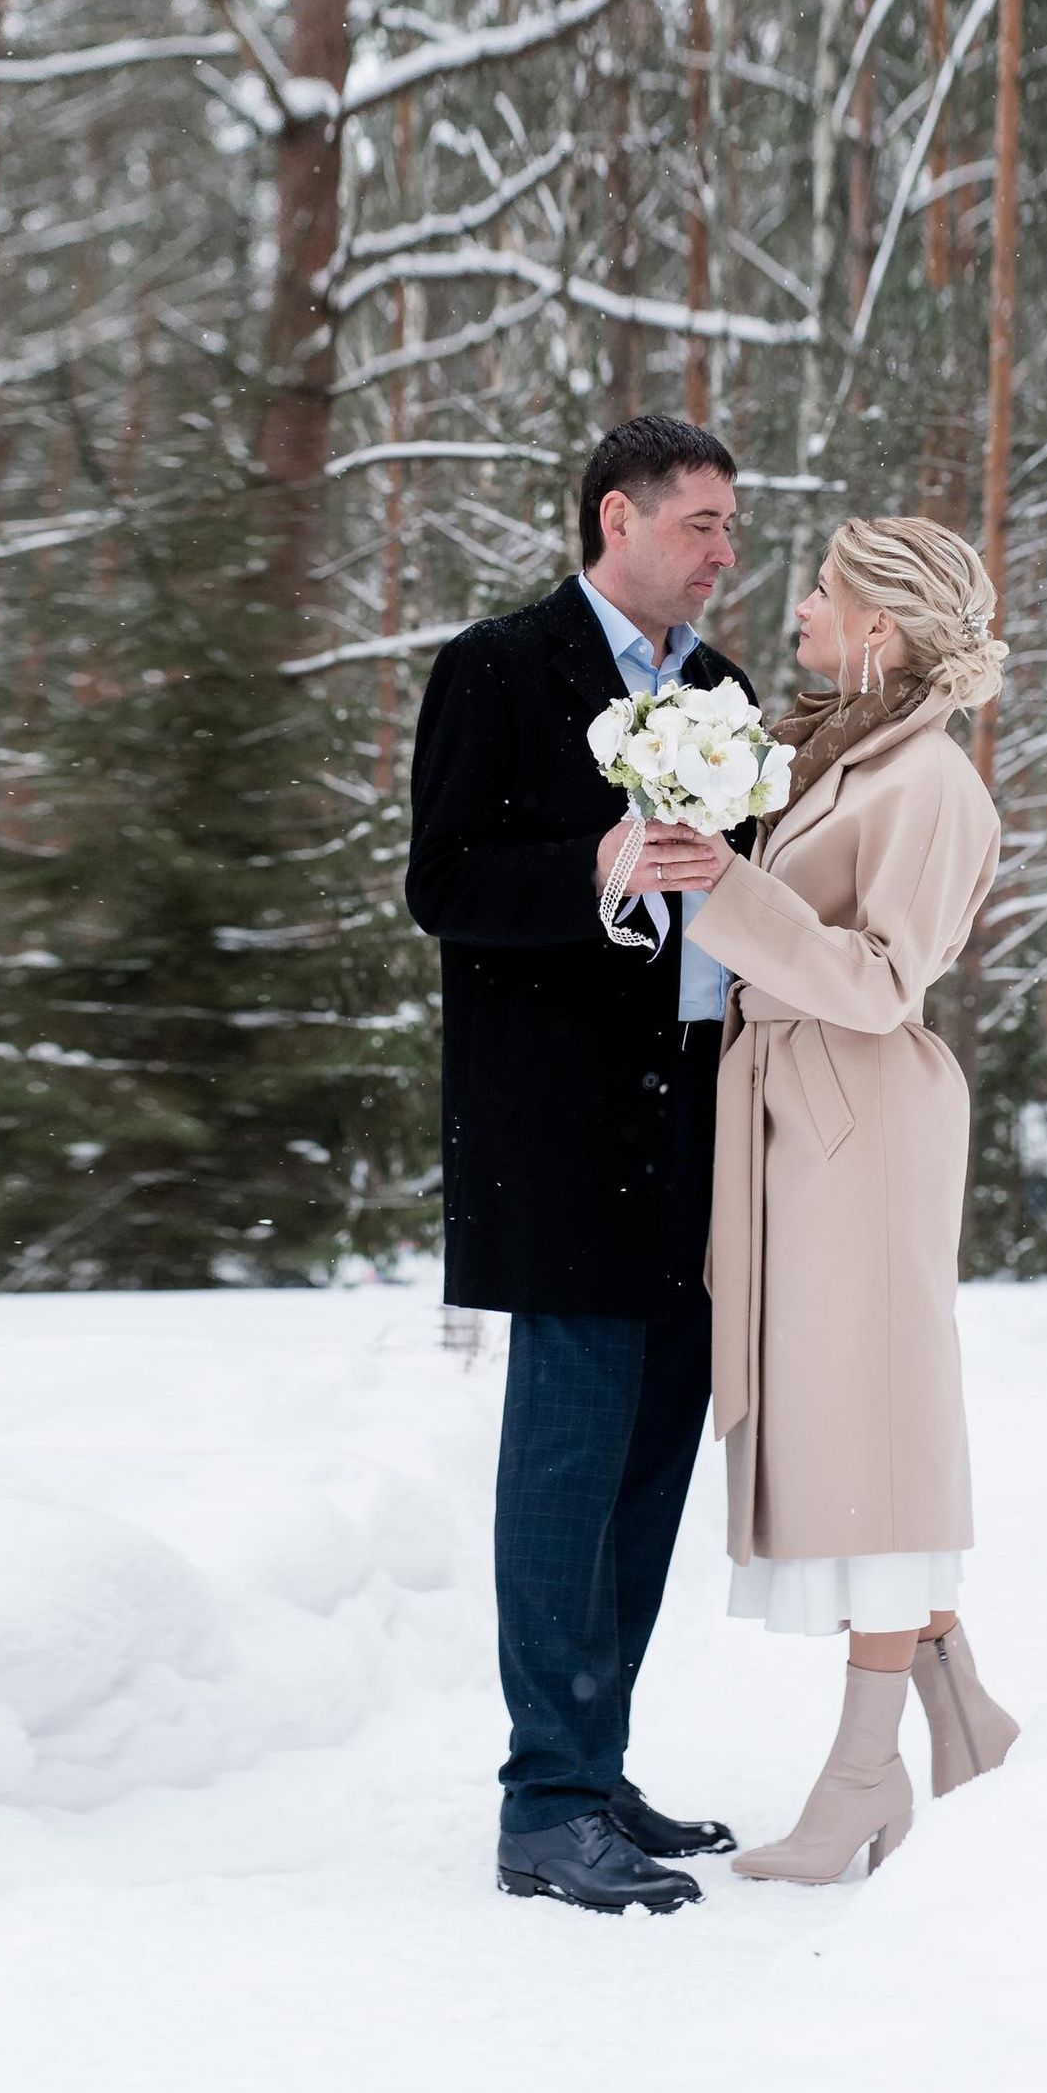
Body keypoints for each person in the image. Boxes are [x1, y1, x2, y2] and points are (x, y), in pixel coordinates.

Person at [406, 414, 753, 1919]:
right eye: (703, 523)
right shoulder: (497, 666)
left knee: (651, 1461)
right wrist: (598, 865)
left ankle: (596, 1763)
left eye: (733, 526)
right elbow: (443, 881)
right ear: (619, 517)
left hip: (699, 1117)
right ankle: (542, 1801)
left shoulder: (728, 692)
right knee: (567, 1460)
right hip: (559, 1131)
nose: (725, 549)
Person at [649, 514, 1024, 1883]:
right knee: (859, 1432)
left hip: (858, 1129)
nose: (796, 607)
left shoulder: (930, 782)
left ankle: (866, 1776)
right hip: (808, 1127)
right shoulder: (844, 754)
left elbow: (879, 981)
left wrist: (729, 891)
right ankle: (964, 1722)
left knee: (875, 1447)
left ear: (882, 628)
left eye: (823, 591)